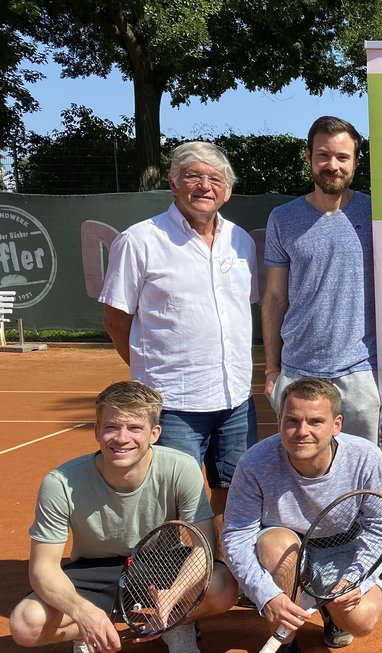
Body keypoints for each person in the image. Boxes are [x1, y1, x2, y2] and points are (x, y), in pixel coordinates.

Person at [9, 381, 237, 653]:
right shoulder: (60, 483)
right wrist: (83, 613)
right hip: (95, 569)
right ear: (96, 431)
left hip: (161, 563)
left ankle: (175, 623)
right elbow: (42, 568)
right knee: (26, 623)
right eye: (112, 427)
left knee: (222, 586)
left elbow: (203, 549)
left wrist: (173, 596)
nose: (121, 438)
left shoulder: (181, 468)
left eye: (134, 428)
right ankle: (93, 625)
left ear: (154, 433)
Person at [99, 141, 258, 527]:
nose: (205, 186)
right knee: (177, 503)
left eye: (215, 178)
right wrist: (152, 371)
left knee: (234, 492)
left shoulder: (242, 242)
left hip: (235, 398)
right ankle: (181, 581)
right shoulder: (139, 240)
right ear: (173, 183)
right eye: (193, 176)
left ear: (228, 190)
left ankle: (224, 571)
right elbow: (116, 320)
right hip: (173, 404)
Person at [221, 377, 382, 651]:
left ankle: (331, 610)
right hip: (284, 547)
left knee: (362, 621)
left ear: (336, 425)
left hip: (341, 546)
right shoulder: (254, 462)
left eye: (315, 421)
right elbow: (236, 536)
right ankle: (286, 643)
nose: (302, 431)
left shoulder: (366, 457)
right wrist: (267, 595)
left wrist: (356, 580)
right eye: (292, 420)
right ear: (280, 421)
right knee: (276, 544)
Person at [262, 115, 380, 441]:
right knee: (302, 478)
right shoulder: (283, 218)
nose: (333, 165)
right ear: (308, 156)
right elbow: (274, 296)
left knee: (366, 477)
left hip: (362, 375)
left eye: (343, 157)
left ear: (356, 161)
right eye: (323, 155)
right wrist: (273, 370)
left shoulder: (378, 214)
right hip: (298, 372)